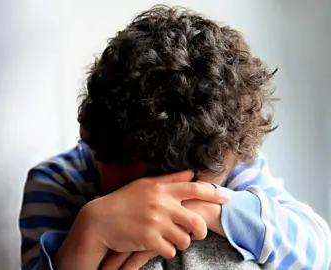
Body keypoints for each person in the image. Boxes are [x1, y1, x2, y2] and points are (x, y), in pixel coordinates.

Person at [19, 5, 331, 270]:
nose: (160, 203)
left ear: (236, 155)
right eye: (139, 188)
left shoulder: (234, 166)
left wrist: (210, 208)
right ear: (91, 140)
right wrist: (89, 231)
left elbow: (317, 252)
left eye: (191, 188)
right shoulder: (57, 181)